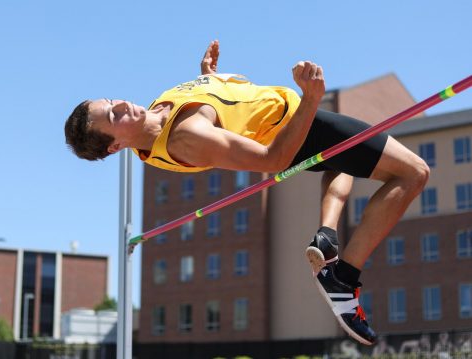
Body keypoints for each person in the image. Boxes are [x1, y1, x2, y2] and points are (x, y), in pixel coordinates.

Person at [64, 40, 429, 345]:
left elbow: (226, 109)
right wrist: (312, 98)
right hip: (297, 127)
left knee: (342, 165)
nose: (123, 105)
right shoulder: (186, 137)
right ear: (114, 147)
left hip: (293, 120)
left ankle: (327, 237)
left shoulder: (162, 107)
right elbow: (273, 160)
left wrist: (208, 76)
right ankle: (343, 279)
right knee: (413, 173)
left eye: (112, 102)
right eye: (113, 117)